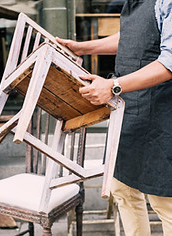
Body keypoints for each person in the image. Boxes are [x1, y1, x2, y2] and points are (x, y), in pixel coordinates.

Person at [56, 0, 172, 236]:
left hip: (162, 113)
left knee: (164, 200)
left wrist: (113, 86)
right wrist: (81, 48)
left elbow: (169, 63)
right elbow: (130, 38)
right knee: (123, 190)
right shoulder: (134, 3)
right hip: (129, 111)